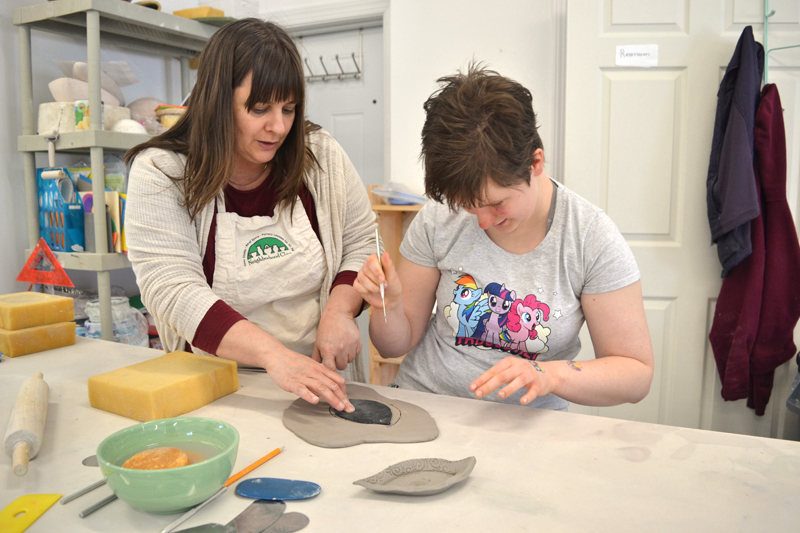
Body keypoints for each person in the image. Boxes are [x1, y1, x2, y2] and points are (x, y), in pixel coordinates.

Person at [355, 66, 654, 411]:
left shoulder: (590, 237)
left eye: (497, 204)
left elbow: (635, 374)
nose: (482, 221)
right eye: (467, 206)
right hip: (427, 403)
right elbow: (394, 345)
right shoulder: (438, 217)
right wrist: (388, 306)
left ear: (535, 162)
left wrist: (549, 375)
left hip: (529, 428)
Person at [125, 19, 379, 412]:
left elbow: (361, 241)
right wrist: (275, 356)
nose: (277, 127)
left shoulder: (320, 156)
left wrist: (339, 310)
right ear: (217, 101)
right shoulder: (162, 172)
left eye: (289, 108)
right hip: (216, 388)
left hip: (321, 380)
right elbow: (172, 288)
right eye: (259, 108)